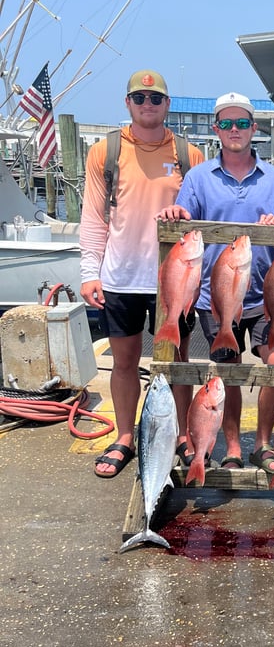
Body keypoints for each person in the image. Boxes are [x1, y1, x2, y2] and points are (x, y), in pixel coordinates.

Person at [156, 92, 274, 473]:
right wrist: (175, 212)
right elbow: (184, 217)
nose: (235, 130)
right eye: (227, 123)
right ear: (216, 129)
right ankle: (233, 446)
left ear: (255, 128)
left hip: (267, 293)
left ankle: (263, 442)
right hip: (215, 296)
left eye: (243, 123)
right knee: (228, 372)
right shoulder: (199, 177)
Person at [80, 69, 204, 478]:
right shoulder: (104, 152)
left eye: (155, 98)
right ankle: (125, 436)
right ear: (127, 102)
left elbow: (201, 219)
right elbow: (94, 218)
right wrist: (89, 272)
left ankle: (185, 435)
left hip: (175, 278)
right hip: (119, 276)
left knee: (181, 359)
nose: (147, 104)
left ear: (167, 105)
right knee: (124, 362)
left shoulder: (190, 154)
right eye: (139, 97)